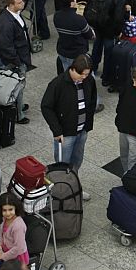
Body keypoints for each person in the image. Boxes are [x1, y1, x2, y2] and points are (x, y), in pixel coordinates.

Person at [40, 54, 96, 199]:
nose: (84, 77)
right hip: (65, 134)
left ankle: (74, 188)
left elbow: (92, 99)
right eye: (82, 74)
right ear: (73, 69)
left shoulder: (88, 80)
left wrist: (88, 124)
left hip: (82, 131)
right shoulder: (58, 84)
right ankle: (60, 194)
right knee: (62, 166)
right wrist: (57, 131)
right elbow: (46, 107)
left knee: (76, 162)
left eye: (87, 74)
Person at [0, 0, 32, 124]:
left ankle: (19, 106)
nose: (23, 4)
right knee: (17, 87)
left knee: (19, 86)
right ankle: (18, 114)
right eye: (19, 2)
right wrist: (17, 61)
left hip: (20, 56)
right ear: (11, 4)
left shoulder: (15, 14)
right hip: (15, 61)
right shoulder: (6, 23)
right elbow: (6, 47)